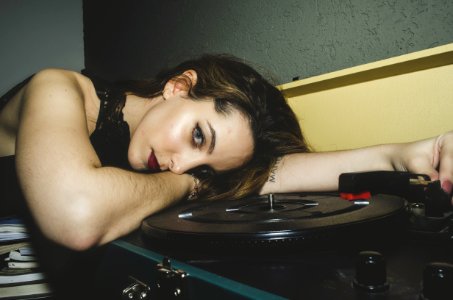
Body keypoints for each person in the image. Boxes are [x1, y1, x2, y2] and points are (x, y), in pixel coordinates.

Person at [1, 54, 452, 254]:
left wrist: (414, 151)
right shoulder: (57, 88)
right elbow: (77, 217)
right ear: (179, 86)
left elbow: (280, 173)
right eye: (198, 137)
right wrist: (192, 183)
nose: (182, 162)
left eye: (206, 169)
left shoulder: (182, 163)